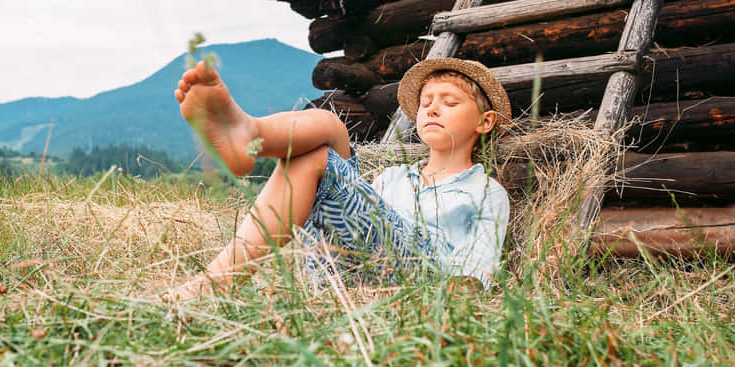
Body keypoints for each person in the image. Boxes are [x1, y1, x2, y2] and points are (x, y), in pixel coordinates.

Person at [165, 57, 511, 300]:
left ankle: (251, 135)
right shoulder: (393, 177)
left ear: (485, 122)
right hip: (346, 275)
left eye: (449, 102)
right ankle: (248, 134)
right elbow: (356, 221)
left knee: (326, 136)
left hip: (421, 280)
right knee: (320, 142)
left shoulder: (485, 192)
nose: (432, 108)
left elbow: (476, 272)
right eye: (426, 103)